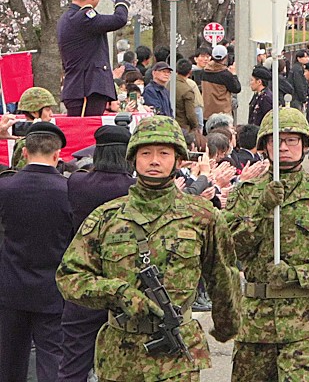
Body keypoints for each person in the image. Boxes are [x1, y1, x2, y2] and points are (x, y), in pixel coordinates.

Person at [56, 116, 240, 381]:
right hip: (121, 355)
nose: (154, 160)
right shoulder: (107, 217)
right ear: (133, 159)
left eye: (164, 153)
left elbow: (223, 275)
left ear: (178, 161)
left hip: (177, 356)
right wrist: (118, 293)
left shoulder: (203, 217)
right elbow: (69, 277)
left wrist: (227, 325)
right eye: (146, 153)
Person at [224, 108, 309, 381]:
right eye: (276, 140)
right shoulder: (246, 193)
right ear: (265, 146)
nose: (284, 147)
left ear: (304, 145)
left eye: (292, 140)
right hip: (255, 320)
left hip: (303, 322)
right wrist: (261, 209)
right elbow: (229, 248)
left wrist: (297, 273)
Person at [57, 123, 135, 382]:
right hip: (125, 285)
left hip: (84, 281)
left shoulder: (78, 183)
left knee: (73, 364)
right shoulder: (134, 189)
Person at [0, 122, 74, 382]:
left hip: (10, 287)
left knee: (9, 363)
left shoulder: (6, 188)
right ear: (57, 155)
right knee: (53, 361)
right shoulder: (69, 191)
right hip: (54, 289)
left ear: (25, 153)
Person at [57, 0, 130, 117]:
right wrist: (122, 3)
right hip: (86, 88)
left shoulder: (68, 17)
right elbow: (119, 19)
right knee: (85, 135)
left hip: (82, 86)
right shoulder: (84, 17)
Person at [200, 44, 241, 119]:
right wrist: (234, 74)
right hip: (223, 114)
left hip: (207, 113)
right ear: (225, 57)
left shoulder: (205, 71)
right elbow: (237, 88)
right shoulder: (225, 74)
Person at [174, 60, 202, 140]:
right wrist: (196, 126)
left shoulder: (169, 84)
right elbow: (190, 114)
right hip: (184, 127)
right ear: (190, 72)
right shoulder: (187, 90)